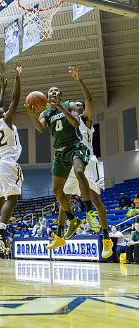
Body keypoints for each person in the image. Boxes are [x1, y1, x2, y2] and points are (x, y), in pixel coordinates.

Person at [26, 81, 95, 249]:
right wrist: (32, 116)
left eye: (57, 90)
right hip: (59, 152)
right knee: (57, 191)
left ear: (60, 95)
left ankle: (89, 212)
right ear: (47, 96)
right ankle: (72, 219)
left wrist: (61, 108)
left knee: (79, 172)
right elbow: (41, 130)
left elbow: (76, 123)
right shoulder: (47, 113)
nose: (53, 92)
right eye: (51, 91)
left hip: (75, 147)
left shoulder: (69, 104)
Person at [63, 67, 113, 258]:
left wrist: (79, 80)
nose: (77, 106)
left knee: (96, 199)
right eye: (74, 105)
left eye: (79, 105)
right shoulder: (68, 124)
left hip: (88, 161)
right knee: (63, 197)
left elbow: (90, 101)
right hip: (73, 162)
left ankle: (106, 238)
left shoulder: (86, 120)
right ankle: (63, 231)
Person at [0, 64, 23, 253]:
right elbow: (15, 100)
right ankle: (0, 231)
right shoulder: (5, 120)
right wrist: (17, 78)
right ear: (0, 116)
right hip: (8, 162)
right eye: (2, 110)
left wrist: (3, 88)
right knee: (13, 199)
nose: (5, 109)